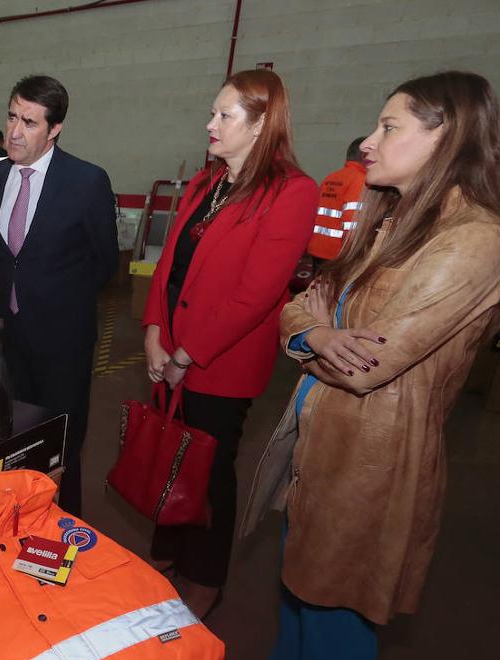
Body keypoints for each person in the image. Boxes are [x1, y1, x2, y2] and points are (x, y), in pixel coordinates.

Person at [228, 71, 500, 660]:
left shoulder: (474, 242)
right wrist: (318, 334)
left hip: (376, 453)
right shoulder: (395, 217)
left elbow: (370, 363)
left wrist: (322, 336)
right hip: (324, 426)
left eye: (389, 127)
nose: (367, 141)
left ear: (446, 133)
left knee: (339, 598)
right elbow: (311, 299)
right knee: (300, 568)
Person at [141, 69, 318, 618]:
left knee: (209, 473)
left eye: (224, 116)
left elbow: (258, 294)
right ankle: (167, 553)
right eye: (213, 113)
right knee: (171, 457)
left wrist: (187, 354)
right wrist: (152, 332)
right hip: (169, 349)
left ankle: (205, 576)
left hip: (219, 363)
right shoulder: (205, 183)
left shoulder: (293, 192)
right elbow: (170, 263)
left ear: (263, 123)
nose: (210, 124)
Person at [0, 75, 117, 516]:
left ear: (54, 129)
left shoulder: (86, 181)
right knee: (10, 437)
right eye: (12, 116)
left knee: (62, 444)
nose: (15, 132)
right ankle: (16, 520)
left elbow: (105, 262)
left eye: (30, 122)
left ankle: (62, 529)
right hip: (8, 338)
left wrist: (58, 302)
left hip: (63, 343)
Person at [306, 136, 368, 266]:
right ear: (364, 156)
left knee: (319, 286)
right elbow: (352, 224)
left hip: (317, 249)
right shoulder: (360, 180)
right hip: (339, 254)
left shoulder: (331, 177)